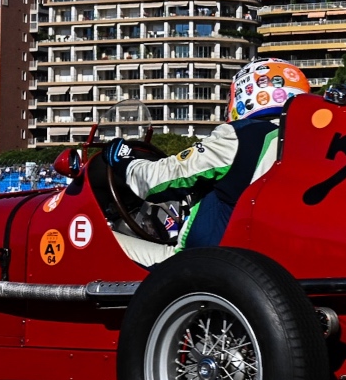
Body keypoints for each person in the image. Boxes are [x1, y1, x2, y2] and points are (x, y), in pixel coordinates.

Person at [109, 58, 312, 253]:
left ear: (244, 94)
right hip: (269, 262)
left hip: (206, 263)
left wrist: (124, 161)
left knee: (96, 242)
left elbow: (156, 181)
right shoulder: (309, 142)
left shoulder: (240, 135)